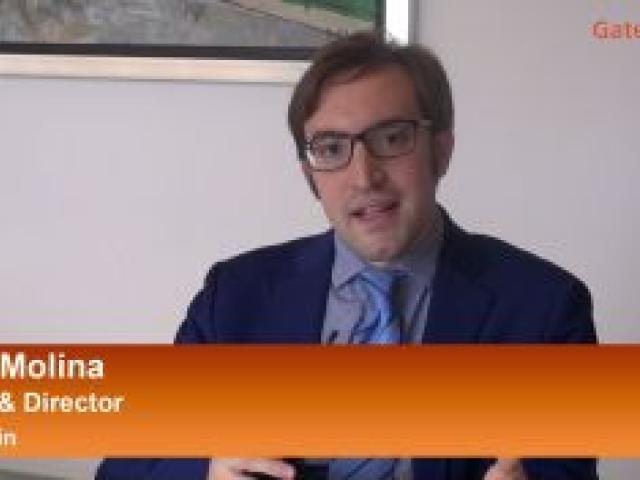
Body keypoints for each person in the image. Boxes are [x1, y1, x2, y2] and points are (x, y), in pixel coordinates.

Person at [96, 32, 598, 480]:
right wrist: (207, 471)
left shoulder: (545, 308)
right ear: (310, 176)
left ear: (441, 151)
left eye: (392, 139)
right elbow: (125, 466)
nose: (364, 177)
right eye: (332, 149)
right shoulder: (236, 296)